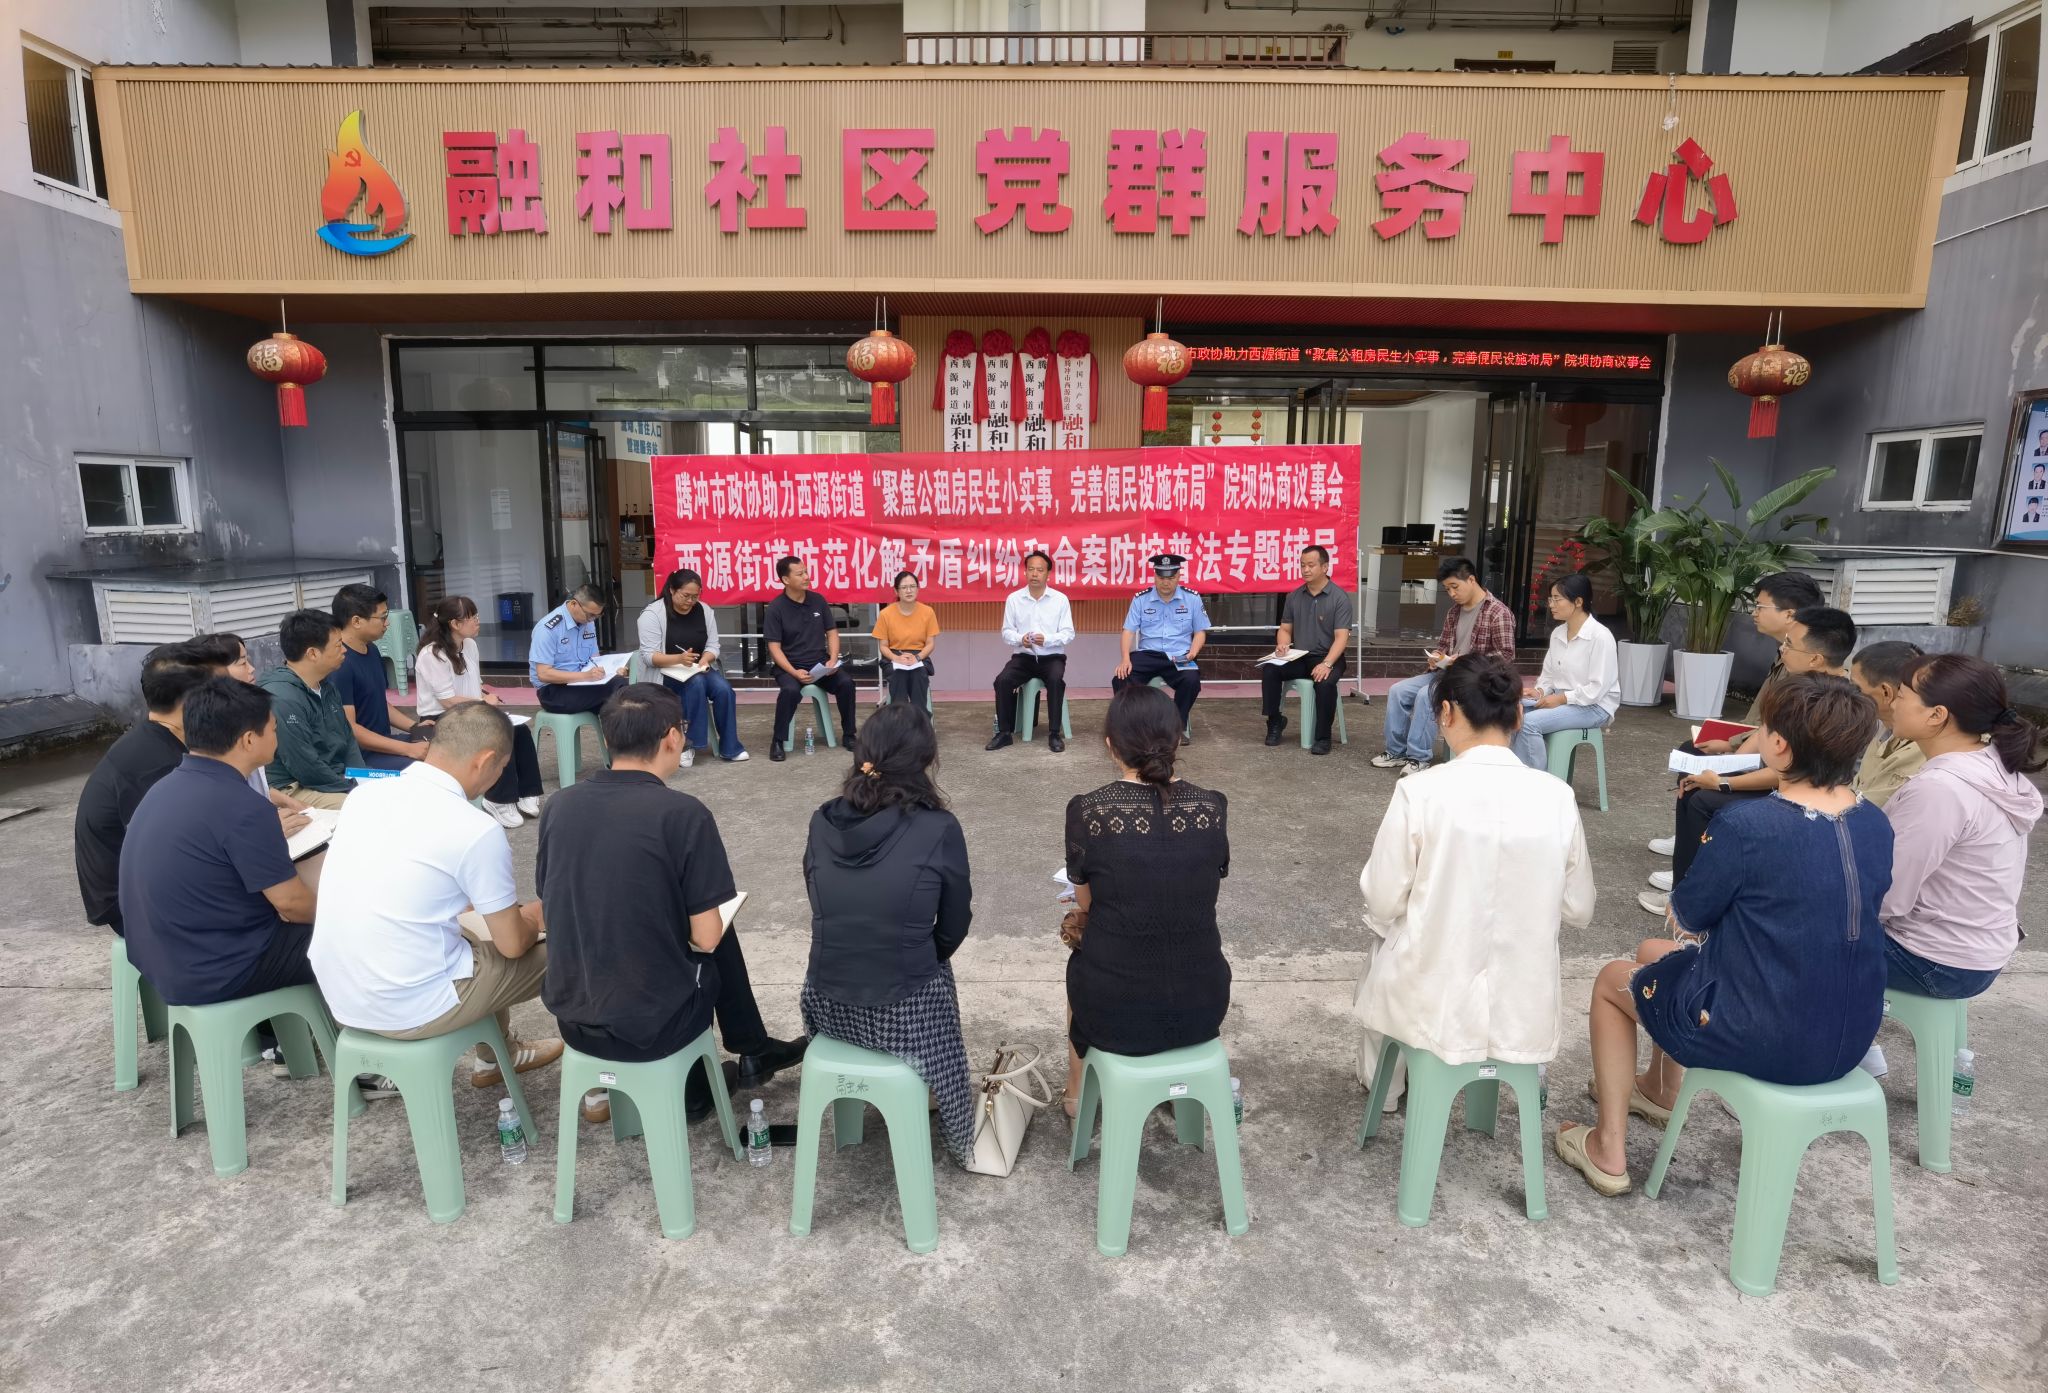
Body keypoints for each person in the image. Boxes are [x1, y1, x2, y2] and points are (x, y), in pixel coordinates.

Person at [1556, 674, 1892, 1196]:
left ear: (1779, 746)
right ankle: (1659, 1090)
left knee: (1611, 980)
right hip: (1848, 1036)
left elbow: (1689, 915)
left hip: (1762, 1033)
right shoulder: (1874, 821)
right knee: (1653, 954)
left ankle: (1608, 1148)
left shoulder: (1749, 825)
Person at [539, 683, 806, 1125]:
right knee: (714, 929)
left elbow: (551, 902)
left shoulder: (559, 805)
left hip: (573, 1017)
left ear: (607, 737)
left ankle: (751, 1051)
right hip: (653, 1026)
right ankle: (707, 1081)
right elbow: (706, 937)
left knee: (685, 920)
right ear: (673, 737)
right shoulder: (682, 813)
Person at [1354, 655, 1594, 1109]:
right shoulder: (1558, 797)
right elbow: (1579, 909)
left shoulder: (1420, 791)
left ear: (1446, 713)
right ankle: (1517, 1075)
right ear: (1519, 714)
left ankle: (1386, 1089)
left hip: (1432, 1007)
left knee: (1387, 939)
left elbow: (1382, 899)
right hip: (1522, 1010)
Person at [308, 701, 564, 1088]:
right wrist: (537, 916)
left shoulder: (365, 796)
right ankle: (600, 1076)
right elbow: (512, 944)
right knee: (575, 947)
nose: (499, 776)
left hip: (342, 995)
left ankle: (497, 1056)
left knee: (472, 936)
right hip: (412, 1006)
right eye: (501, 767)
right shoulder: (475, 828)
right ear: (486, 760)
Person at [801, 702, 974, 1164]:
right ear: (925, 760)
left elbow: (821, 900)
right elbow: (955, 924)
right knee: (932, 966)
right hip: (903, 1009)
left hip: (826, 1004)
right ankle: (952, 1118)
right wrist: (921, 954)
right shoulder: (938, 827)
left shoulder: (821, 820)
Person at [1062, 684, 1232, 1113]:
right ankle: (1178, 1090)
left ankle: (1077, 1095)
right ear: (1176, 739)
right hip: (1203, 1003)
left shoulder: (1089, 811)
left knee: (1081, 961)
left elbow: (1087, 904)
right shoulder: (1212, 807)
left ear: (1110, 745)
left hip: (1115, 1008)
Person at [1639, 604, 1856, 916]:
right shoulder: (1799, 684)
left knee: (1704, 800)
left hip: (1799, 794)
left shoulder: (1834, 706)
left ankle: (1692, 900)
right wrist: (1728, 765)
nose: (1782, 649)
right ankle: (1683, 887)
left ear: (1815, 659)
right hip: (1780, 776)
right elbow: (1763, 732)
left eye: (1790, 644)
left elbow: (1791, 774)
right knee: (1693, 776)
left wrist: (1725, 782)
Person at [120, 678, 322, 1005]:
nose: (277, 736)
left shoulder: (164, 787)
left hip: (163, 958)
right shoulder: (242, 805)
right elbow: (292, 905)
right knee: (357, 936)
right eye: (273, 729)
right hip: (219, 968)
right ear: (248, 740)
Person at [1878, 654, 2044, 1001]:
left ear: (1936, 715)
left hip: (1934, 961)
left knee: (1783, 934)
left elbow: (1887, 895)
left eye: (1902, 696)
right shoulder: (1991, 762)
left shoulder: (1940, 789)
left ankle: (1832, 1032)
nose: (1892, 704)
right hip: (1977, 953)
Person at [74, 643, 216, 938]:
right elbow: (174, 853)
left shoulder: (160, 736)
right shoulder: (155, 765)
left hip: (143, 886)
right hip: (130, 905)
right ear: (191, 699)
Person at [1372, 556, 1515, 776]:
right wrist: (1437, 657)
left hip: (1474, 680)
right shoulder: (1454, 612)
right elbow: (1444, 646)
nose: (1452, 594)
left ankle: (1418, 758)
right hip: (1446, 673)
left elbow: (1506, 655)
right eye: (1447, 589)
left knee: (1426, 695)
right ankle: (1396, 751)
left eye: (1455, 587)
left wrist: (1466, 660)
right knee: (1398, 691)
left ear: (1471, 580)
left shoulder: (1498, 612)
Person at [415, 595, 545, 827]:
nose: (478, 621)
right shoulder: (432, 654)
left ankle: (527, 791)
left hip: (471, 709)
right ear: (455, 624)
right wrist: (483, 703)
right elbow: (447, 701)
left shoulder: (470, 645)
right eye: (472, 617)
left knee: (520, 730)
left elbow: (474, 682)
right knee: (495, 733)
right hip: (443, 717)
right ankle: (499, 799)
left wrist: (484, 697)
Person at [183, 632, 317, 831]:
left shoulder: (246, 711)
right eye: (242, 662)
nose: (252, 668)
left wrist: (284, 801)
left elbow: (254, 784)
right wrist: (266, 829)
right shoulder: (214, 728)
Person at [635, 567, 748, 764]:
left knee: (724, 690)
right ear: (672, 590)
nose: (690, 601)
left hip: (696, 668)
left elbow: (713, 645)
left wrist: (705, 659)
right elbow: (649, 657)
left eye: (695, 596)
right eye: (685, 596)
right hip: (663, 672)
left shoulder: (704, 610)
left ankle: (730, 747)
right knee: (696, 684)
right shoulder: (652, 614)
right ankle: (688, 745)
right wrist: (679, 659)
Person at [257, 609, 364, 811]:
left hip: (333, 778)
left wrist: (362, 777)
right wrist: (353, 787)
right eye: (338, 645)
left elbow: (348, 739)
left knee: (391, 789)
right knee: (364, 806)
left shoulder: (327, 686)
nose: (344, 650)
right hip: (294, 786)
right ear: (313, 653)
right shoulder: (282, 698)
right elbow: (304, 765)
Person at [1509, 574, 1619, 770]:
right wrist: (1540, 692)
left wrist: (1560, 699)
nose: (1551, 604)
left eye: (1557, 599)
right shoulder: (1558, 633)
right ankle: (1516, 772)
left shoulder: (1600, 637)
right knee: (1509, 710)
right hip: (1563, 699)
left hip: (1594, 706)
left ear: (1578, 602)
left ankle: (1537, 781)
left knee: (1528, 723)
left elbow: (1597, 689)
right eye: (1550, 599)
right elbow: (1549, 675)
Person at [1259, 545, 1354, 756]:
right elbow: (1285, 629)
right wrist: (1282, 644)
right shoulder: (1294, 597)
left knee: (1325, 683)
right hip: (1300, 656)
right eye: (1302, 565)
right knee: (1270, 669)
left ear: (1325, 567)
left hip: (1329, 656)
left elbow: (1342, 638)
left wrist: (1327, 664)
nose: (1305, 570)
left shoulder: (1339, 598)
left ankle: (1323, 737)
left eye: (1311, 565)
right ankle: (1275, 721)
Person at [763, 555, 857, 763]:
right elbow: (774, 648)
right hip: (789, 667)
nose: (806, 577)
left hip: (820, 664)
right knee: (789, 691)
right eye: (800, 574)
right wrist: (794, 672)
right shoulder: (776, 608)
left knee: (846, 683)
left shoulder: (818, 600)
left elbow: (832, 632)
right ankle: (778, 741)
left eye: (806, 571)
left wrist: (832, 659)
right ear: (785, 579)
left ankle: (849, 734)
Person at [1111, 553, 1211, 742]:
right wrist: (1125, 658)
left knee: (1191, 681)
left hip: (1180, 655)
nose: (1166, 582)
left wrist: (1193, 652)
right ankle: (1131, 727)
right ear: (1155, 576)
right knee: (1121, 678)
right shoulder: (1141, 599)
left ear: (1179, 576)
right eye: (1161, 577)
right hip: (1148, 654)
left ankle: (1176, 726)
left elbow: (1200, 632)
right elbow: (1128, 631)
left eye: (1171, 578)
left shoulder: (1192, 598)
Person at [331, 584, 428, 770]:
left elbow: (379, 703)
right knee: (428, 767)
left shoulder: (372, 650)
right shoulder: (339, 664)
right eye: (383, 617)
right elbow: (350, 729)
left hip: (383, 745)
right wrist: (408, 749)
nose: (387, 623)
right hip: (360, 758)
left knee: (442, 746)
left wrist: (416, 727)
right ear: (356, 621)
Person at [988, 549, 1075, 753]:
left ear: (1048, 574)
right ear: (1025, 572)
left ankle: (1054, 734)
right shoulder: (1014, 599)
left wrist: (1048, 639)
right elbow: (1006, 632)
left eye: (1040, 570)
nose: (1035, 574)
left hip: (1052, 657)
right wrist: (1021, 639)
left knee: (1055, 680)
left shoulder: (1060, 599)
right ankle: (1004, 733)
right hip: (1023, 657)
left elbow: (1068, 633)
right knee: (1002, 680)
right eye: (1031, 569)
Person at [1848, 640, 1927, 809]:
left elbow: (1864, 810)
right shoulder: (1884, 724)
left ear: (1886, 692)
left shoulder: (1924, 748)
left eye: (1856, 689)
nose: (1849, 696)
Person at [529, 584, 624, 716]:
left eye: (597, 616)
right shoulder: (548, 629)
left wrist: (612, 671)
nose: (592, 620)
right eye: (590, 615)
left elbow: (595, 660)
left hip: (583, 684)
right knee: (618, 692)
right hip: (553, 691)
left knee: (621, 692)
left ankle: (616, 729)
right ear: (574, 604)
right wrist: (586, 676)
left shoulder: (588, 623)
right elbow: (544, 674)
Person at [871, 570, 939, 710]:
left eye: (912, 586)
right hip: (894, 656)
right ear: (896, 591)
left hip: (919, 656)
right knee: (899, 676)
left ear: (918, 589)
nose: (909, 591)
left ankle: (919, 718)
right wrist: (896, 658)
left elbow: (930, 643)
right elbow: (883, 646)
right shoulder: (885, 614)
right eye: (904, 587)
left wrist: (917, 658)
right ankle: (899, 718)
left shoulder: (928, 612)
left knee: (919, 675)